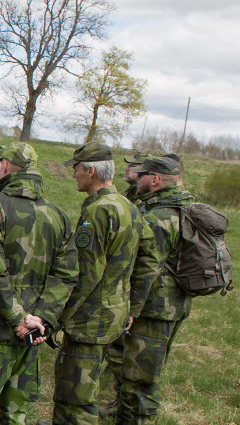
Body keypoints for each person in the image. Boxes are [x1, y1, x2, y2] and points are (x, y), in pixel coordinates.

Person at [0, 142, 78, 425]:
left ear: (9, 167)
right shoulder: (59, 216)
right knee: (15, 413)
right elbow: (67, 275)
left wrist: (18, 318)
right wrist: (42, 318)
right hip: (33, 333)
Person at [51, 142, 158, 424]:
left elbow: (86, 274)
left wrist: (57, 317)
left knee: (75, 397)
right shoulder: (130, 207)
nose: (73, 175)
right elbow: (149, 260)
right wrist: (132, 308)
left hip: (89, 319)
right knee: (87, 388)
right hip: (113, 314)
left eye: (75, 169)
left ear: (90, 171)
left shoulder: (98, 212)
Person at [108, 157, 196, 424]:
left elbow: (147, 267)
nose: (137, 177)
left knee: (141, 376)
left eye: (142, 174)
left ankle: (137, 419)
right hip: (174, 302)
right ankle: (123, 413)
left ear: (155, 179)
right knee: (142, 369)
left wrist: (132, 308)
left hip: (155, 307)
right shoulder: (185, 206)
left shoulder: (160, 216)